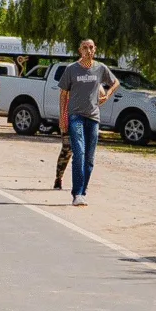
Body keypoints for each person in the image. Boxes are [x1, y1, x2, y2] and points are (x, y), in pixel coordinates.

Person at [51, 40, 118, 203]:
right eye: (85, 48)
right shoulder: (71, 69)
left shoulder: (100, 68)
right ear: (80, 50)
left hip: (93, 117)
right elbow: (63, 94)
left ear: (95, 50)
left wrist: (107, 95)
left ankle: (83, 190)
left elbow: (115, 82)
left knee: (89, 158)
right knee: (78, 153)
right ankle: (77, 194)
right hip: (76, 117)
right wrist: (62, 118)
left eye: (91, 48)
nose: (88, 50)